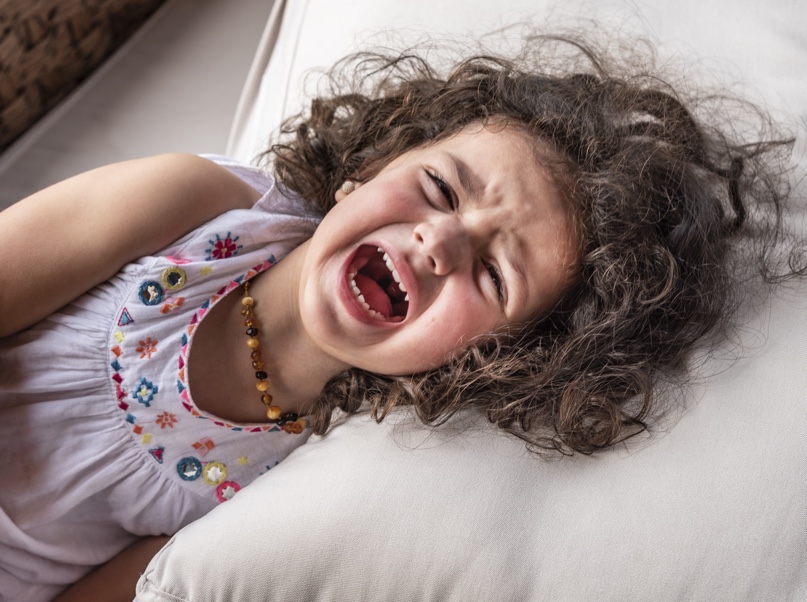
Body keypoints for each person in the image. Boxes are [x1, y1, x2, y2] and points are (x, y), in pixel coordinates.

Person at [0, 34, 801, 601]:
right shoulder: (202, 210)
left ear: (495, 357)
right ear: (367, 167)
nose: (439, 243)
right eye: (441, 190)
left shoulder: (307, 475)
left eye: (491, 273)